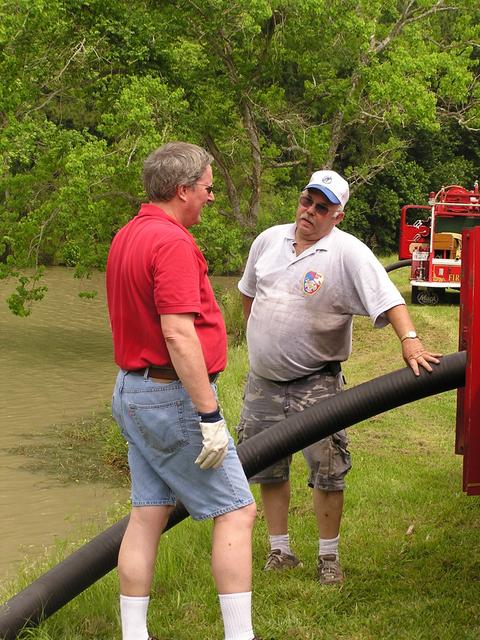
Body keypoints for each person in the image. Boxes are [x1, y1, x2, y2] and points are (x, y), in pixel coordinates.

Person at [236, 169, 441, 585]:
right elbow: (248, 292)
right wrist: (259, 339)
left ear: (338, 216)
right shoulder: (268, 241)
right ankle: (280, 550)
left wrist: (412, 341)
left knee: (328, 469)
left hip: (316, 381)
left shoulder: (348, 253)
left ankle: (327, 558)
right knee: (267, 466)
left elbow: (389, 299)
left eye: (322, 207)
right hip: (263, 382)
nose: (309, 211)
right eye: (307, 201)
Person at [106, 142, 259, 640]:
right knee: (237, 510)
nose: (212, 197)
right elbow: (177, 333)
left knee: (148, 512)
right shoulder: (170, 243)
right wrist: (209, 416)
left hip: (132, 391)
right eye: (208, 188)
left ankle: (135, 635)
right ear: (183, 190)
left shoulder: (128, 235)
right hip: (169, 398)